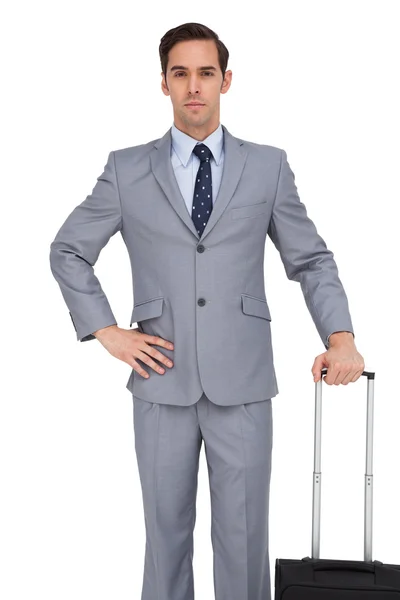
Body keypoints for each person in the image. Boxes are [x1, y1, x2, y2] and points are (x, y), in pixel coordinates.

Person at [49, 21, 365, 600]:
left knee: (244, 543)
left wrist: (341, 337)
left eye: (205, 73)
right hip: (160, 378)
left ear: (225, 81)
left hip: (242, 382)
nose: (194, 85)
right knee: (165, 543)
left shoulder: (267, 166)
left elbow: (312, 259)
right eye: (181, 73)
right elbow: (68, 249)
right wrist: (105, 330)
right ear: (164, 84)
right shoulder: (126, 169)